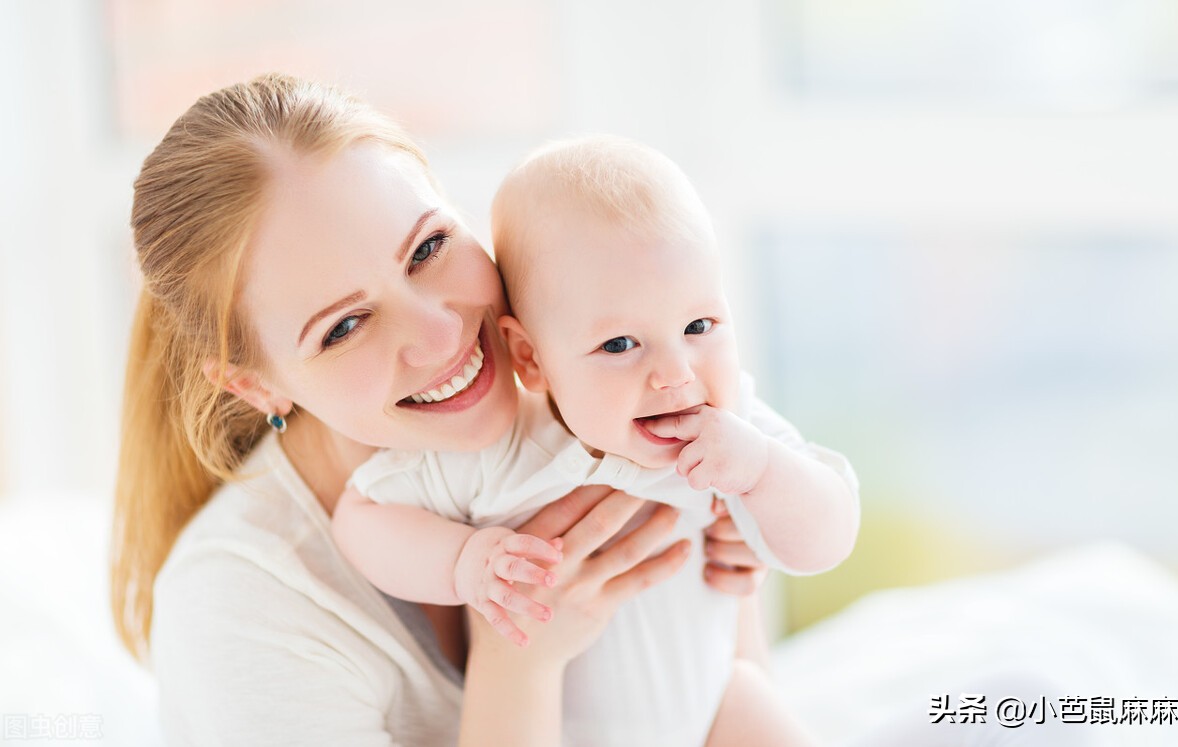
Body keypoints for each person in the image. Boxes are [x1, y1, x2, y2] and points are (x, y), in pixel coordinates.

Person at [110, 73, 770, 746]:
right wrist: (519, 660)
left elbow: (730, 701)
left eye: (427, 248)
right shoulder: (240, 611)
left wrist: (726, 561)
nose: (440, 335)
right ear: (256, 386)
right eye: (344, 326)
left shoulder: (590, 375)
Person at [330, 136, 861, 745]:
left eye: (698, 326)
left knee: (759, 708)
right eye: (619, 346)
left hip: (717, 714)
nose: (676, 374)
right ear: (531, 358)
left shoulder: (734, 431)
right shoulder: (501, 451)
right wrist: (461, 563)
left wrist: (765, 472)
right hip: (567, 730)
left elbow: (829, 536)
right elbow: (362, 514)